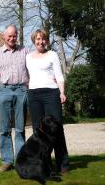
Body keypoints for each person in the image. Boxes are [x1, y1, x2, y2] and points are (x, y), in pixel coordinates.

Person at [26, 29, 70, 174]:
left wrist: (62, 92)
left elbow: (59, 75)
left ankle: (63, 164)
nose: (41, 42)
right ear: (34, 41)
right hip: (34, 95)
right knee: (38, 132)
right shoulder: (28, 57)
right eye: (38, 39)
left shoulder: (52, 55)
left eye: (43, 39)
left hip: (51, 93)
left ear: (47, 41)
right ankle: (43, 165)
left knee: (57, 128)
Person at [0, 25, 29, 172]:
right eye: (9, 36)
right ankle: (7, 161)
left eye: (14, 35)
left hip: (21, 90)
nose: (12, 38)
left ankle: (21, 160)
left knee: (20, 128)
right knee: (4, 129)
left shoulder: (25, 51)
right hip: (3, 90)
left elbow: (33, 69)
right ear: (3, 36)